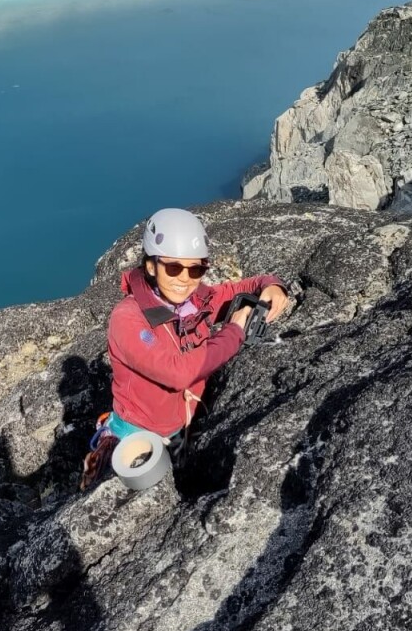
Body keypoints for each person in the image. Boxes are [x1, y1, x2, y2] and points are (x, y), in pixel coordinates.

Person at [81, 208, 288, 486]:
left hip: (181, 429)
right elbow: (178, 374)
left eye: (197, 269)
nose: (185, 279)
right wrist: (235, 330)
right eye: (174, 267)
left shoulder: (196, 301)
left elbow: (241, 287)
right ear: (151, 266)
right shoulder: (128, 318)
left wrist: (272, 285)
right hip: (136, 438)